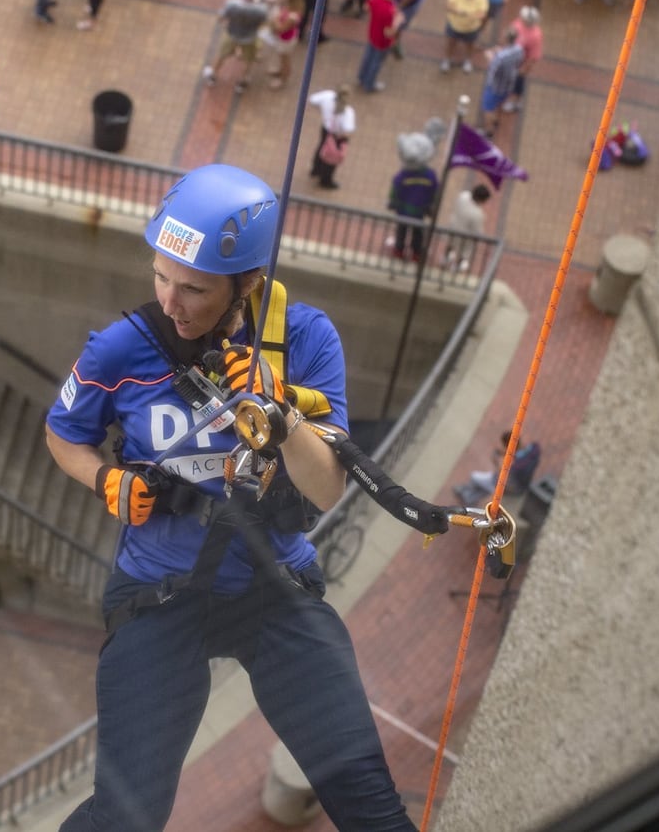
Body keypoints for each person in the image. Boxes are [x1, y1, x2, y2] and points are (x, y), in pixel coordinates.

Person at [46, 163, 422, 832]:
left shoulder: (305, 342)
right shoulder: (121, 350)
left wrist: (279, 409)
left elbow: (328, 486)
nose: (171, 302)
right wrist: (104, 479)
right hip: (159, 593)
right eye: (160, 276)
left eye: (193, 288)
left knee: (369, 803)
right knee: (124, 819)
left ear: (246, 283)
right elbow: (63, 434)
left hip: (271, 582)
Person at [201, 0, 270, 94]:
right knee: (248, 60)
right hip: (250, 38)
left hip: (232, 34)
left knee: (222, 55)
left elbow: (221, 17)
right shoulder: (261, 10)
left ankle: (212, 75)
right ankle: (242, 82)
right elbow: (264, 24)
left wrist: (225, 25)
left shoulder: (232, 4)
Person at [388, 135, 438, 263]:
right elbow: (434, 191)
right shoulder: (430, 175)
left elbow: (395, 189)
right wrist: (432, 206)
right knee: (418, 233)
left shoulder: (403, 175)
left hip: (403, 209)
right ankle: (417, 253)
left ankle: (399, 250)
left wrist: (392, 202)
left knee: (401, 230)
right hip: (420, 211)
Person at [357, 0, 402, 93]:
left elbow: (366, 7)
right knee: (376, 63)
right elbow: (388, 32)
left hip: (372, 33)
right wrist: (397, 21)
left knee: (367, 57)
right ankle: (369, 85)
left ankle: (361, 78)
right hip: (382, 42)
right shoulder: (389, 11)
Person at [441, 0, 490, 73]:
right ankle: (447, 60)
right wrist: (458, 11)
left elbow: (483, 14)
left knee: (470, 45)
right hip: (454, 25)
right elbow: (448, 5)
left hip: (471, 28)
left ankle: (468, 61)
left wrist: (471, 15)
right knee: (451, 43)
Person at [308, 85, 355, 189]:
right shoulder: (348, 112)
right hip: (338, 137)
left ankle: (315, 170)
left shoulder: (327, 96)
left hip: (326, 130)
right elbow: (348, 130)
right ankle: (325, 180)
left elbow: (312, 100)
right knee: (332, 158)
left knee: (321, 148)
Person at [480, 28, 525, 136]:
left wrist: (489, 57)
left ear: (506, 39)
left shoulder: (499, 58)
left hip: (495, 87)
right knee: (499, 104)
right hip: (508, 85)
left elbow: (492, 69)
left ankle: (488, 130)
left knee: (487, 109)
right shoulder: (519, 49)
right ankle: (496, 120)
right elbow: (518, 62)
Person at [261, 0, 305, 91]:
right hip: (284, 37)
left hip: (286, 40)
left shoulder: (293, 16)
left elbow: (281, 29)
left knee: (285, 59)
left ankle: (283, 78)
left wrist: (275, 19)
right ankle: (280, 71)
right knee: (282, 57)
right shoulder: (292, 5)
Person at [503, 6, 543, 114]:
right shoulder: (518, 23)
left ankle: (515, 102)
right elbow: (510, 35)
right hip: (511, 59)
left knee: (518, 84)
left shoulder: (536, 35)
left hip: (521, 63)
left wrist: (524, 69)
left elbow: (533, 56)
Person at [446, 184, 492, 271]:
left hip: (453, 225)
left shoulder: (463, 195)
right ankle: (456, 266)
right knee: (464, 253)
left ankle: (446, 259)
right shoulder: (477, 214)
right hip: (464, 237)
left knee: (451, 245)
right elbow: (477, 231)